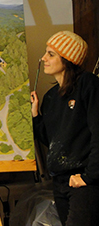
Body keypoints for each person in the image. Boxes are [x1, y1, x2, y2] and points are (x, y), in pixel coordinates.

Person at [30, 30, 99, 226]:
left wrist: (89, 177)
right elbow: (51, 141)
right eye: (46, 52)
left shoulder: (88, 84)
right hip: (61, 182)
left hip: (83, 181)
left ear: (68, 59)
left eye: (51, 54)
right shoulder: (51, 97)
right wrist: (36, 115)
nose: (44, 58)